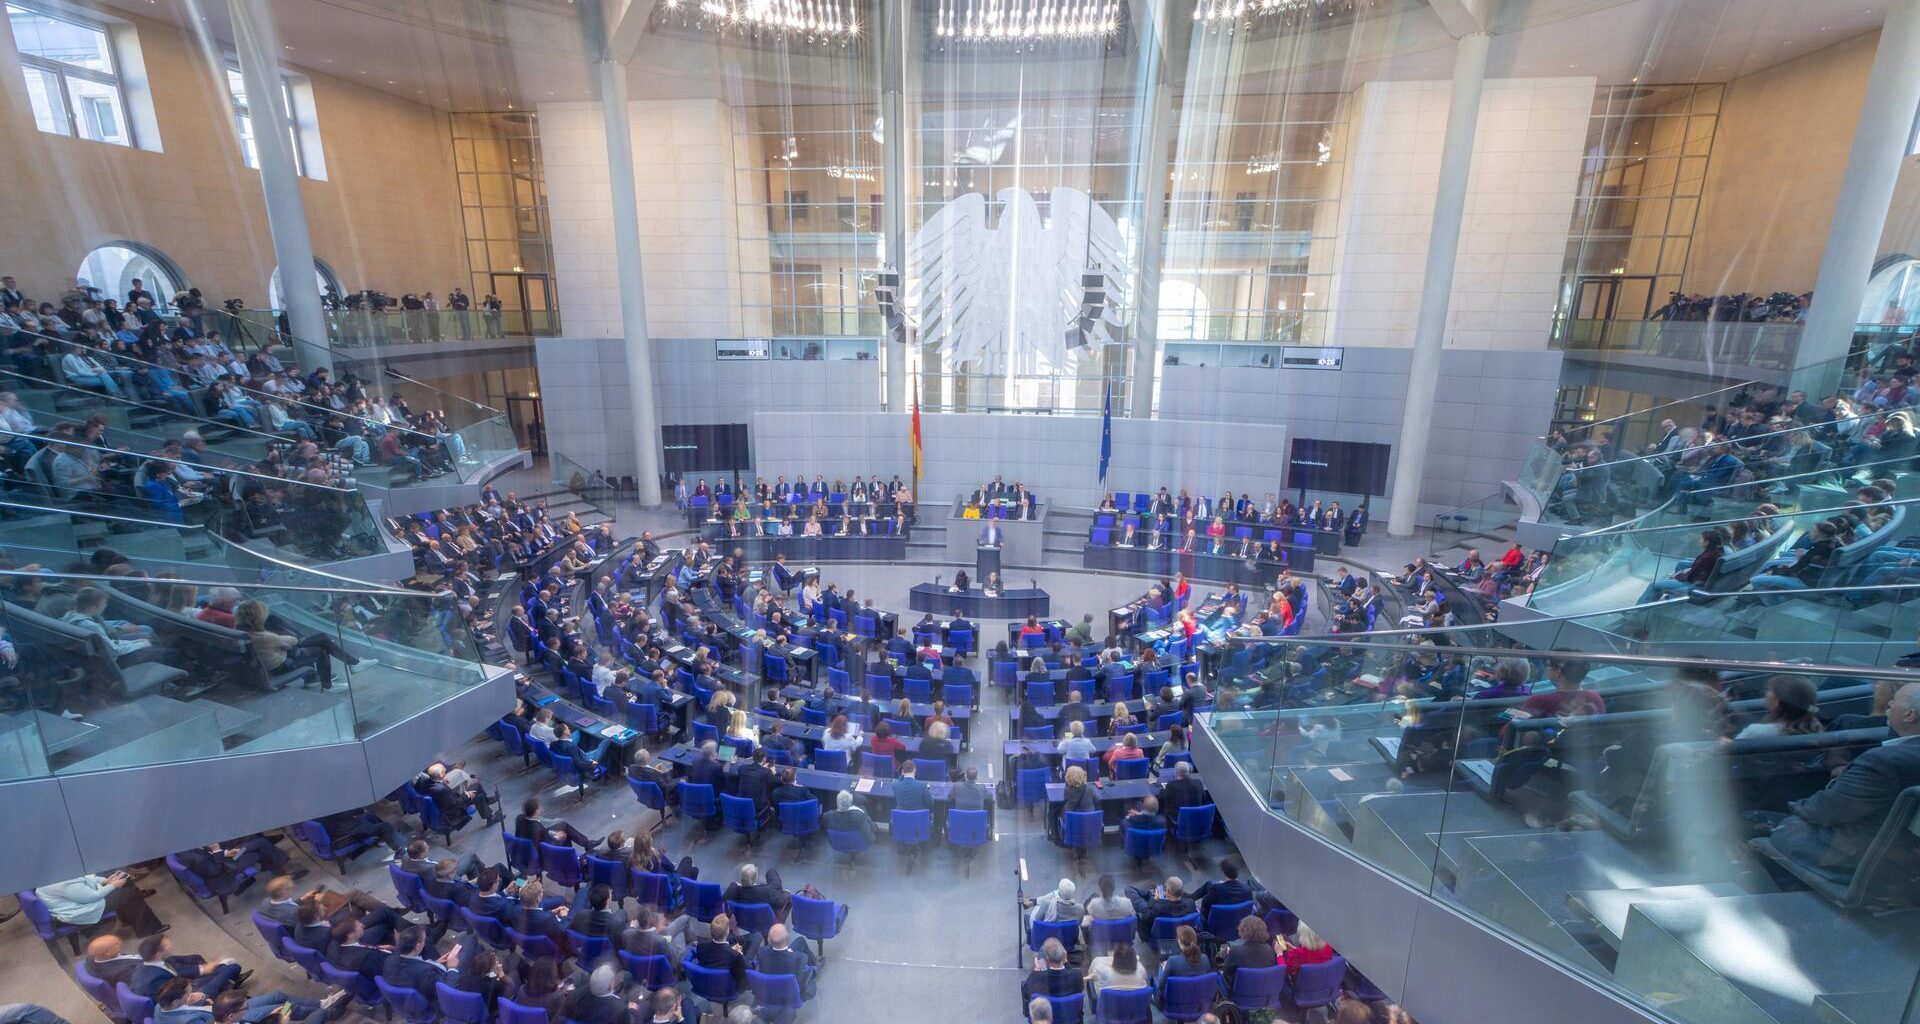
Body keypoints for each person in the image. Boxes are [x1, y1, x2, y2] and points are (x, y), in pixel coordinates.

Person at [1762, 681, 1920, 882]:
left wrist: (1797, 807)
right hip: (1901, 860)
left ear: (1909, 715)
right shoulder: (1893, 760)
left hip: (1853, 860)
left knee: (1762, 825)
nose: (1889, 703)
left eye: (1894, 702)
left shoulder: (1883, 761)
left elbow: (1827, 810)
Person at [35, 869, 166, 937]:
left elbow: (84, 878)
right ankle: (147, 929)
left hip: (79, 901)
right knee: (127, 893)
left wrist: (105, 881)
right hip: (79, 910)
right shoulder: (61, 884)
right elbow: (92, 897)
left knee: (124, 885)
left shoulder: (51, 874)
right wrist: (113, 885)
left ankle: (130, 918)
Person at [749, 923, 818, 1000]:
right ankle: (815, 967)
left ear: (769, 939)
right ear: (788, 938)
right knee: (801, 942)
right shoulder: (800, 957)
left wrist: (787, 951)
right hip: (789, 992)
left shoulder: (761, 952)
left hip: (768, 990)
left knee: (800, 941)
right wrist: (789, 952)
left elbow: (770, 951)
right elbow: (800, 973)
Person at [1124, 876, 1195, 940]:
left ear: (1168, 892)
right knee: (1151, 893)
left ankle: (1151, 894)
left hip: (1152, 922)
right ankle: (1151, 893)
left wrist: (1154, 899)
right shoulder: (1191, 903)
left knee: (1129, 889)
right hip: (1177, 932)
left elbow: (1145, 917)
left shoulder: (1158, 908)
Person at [1221, 914, 1278, 988]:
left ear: (1243, 931)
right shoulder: (1269, 949)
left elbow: (1226, 975)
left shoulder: (1235, 951)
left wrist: (1228, 956)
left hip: (1240, 992)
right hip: (1263, 990)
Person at [1022, 938, 1084, 1002]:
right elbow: (1078, 989)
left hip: (1045, 1011)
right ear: (1064, 955)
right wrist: (1066, 962)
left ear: (1047, 959)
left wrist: (1035, 971)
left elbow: (1026, 993)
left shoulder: (1037, 977)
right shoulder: (1077, 975)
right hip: (1070, 1011)